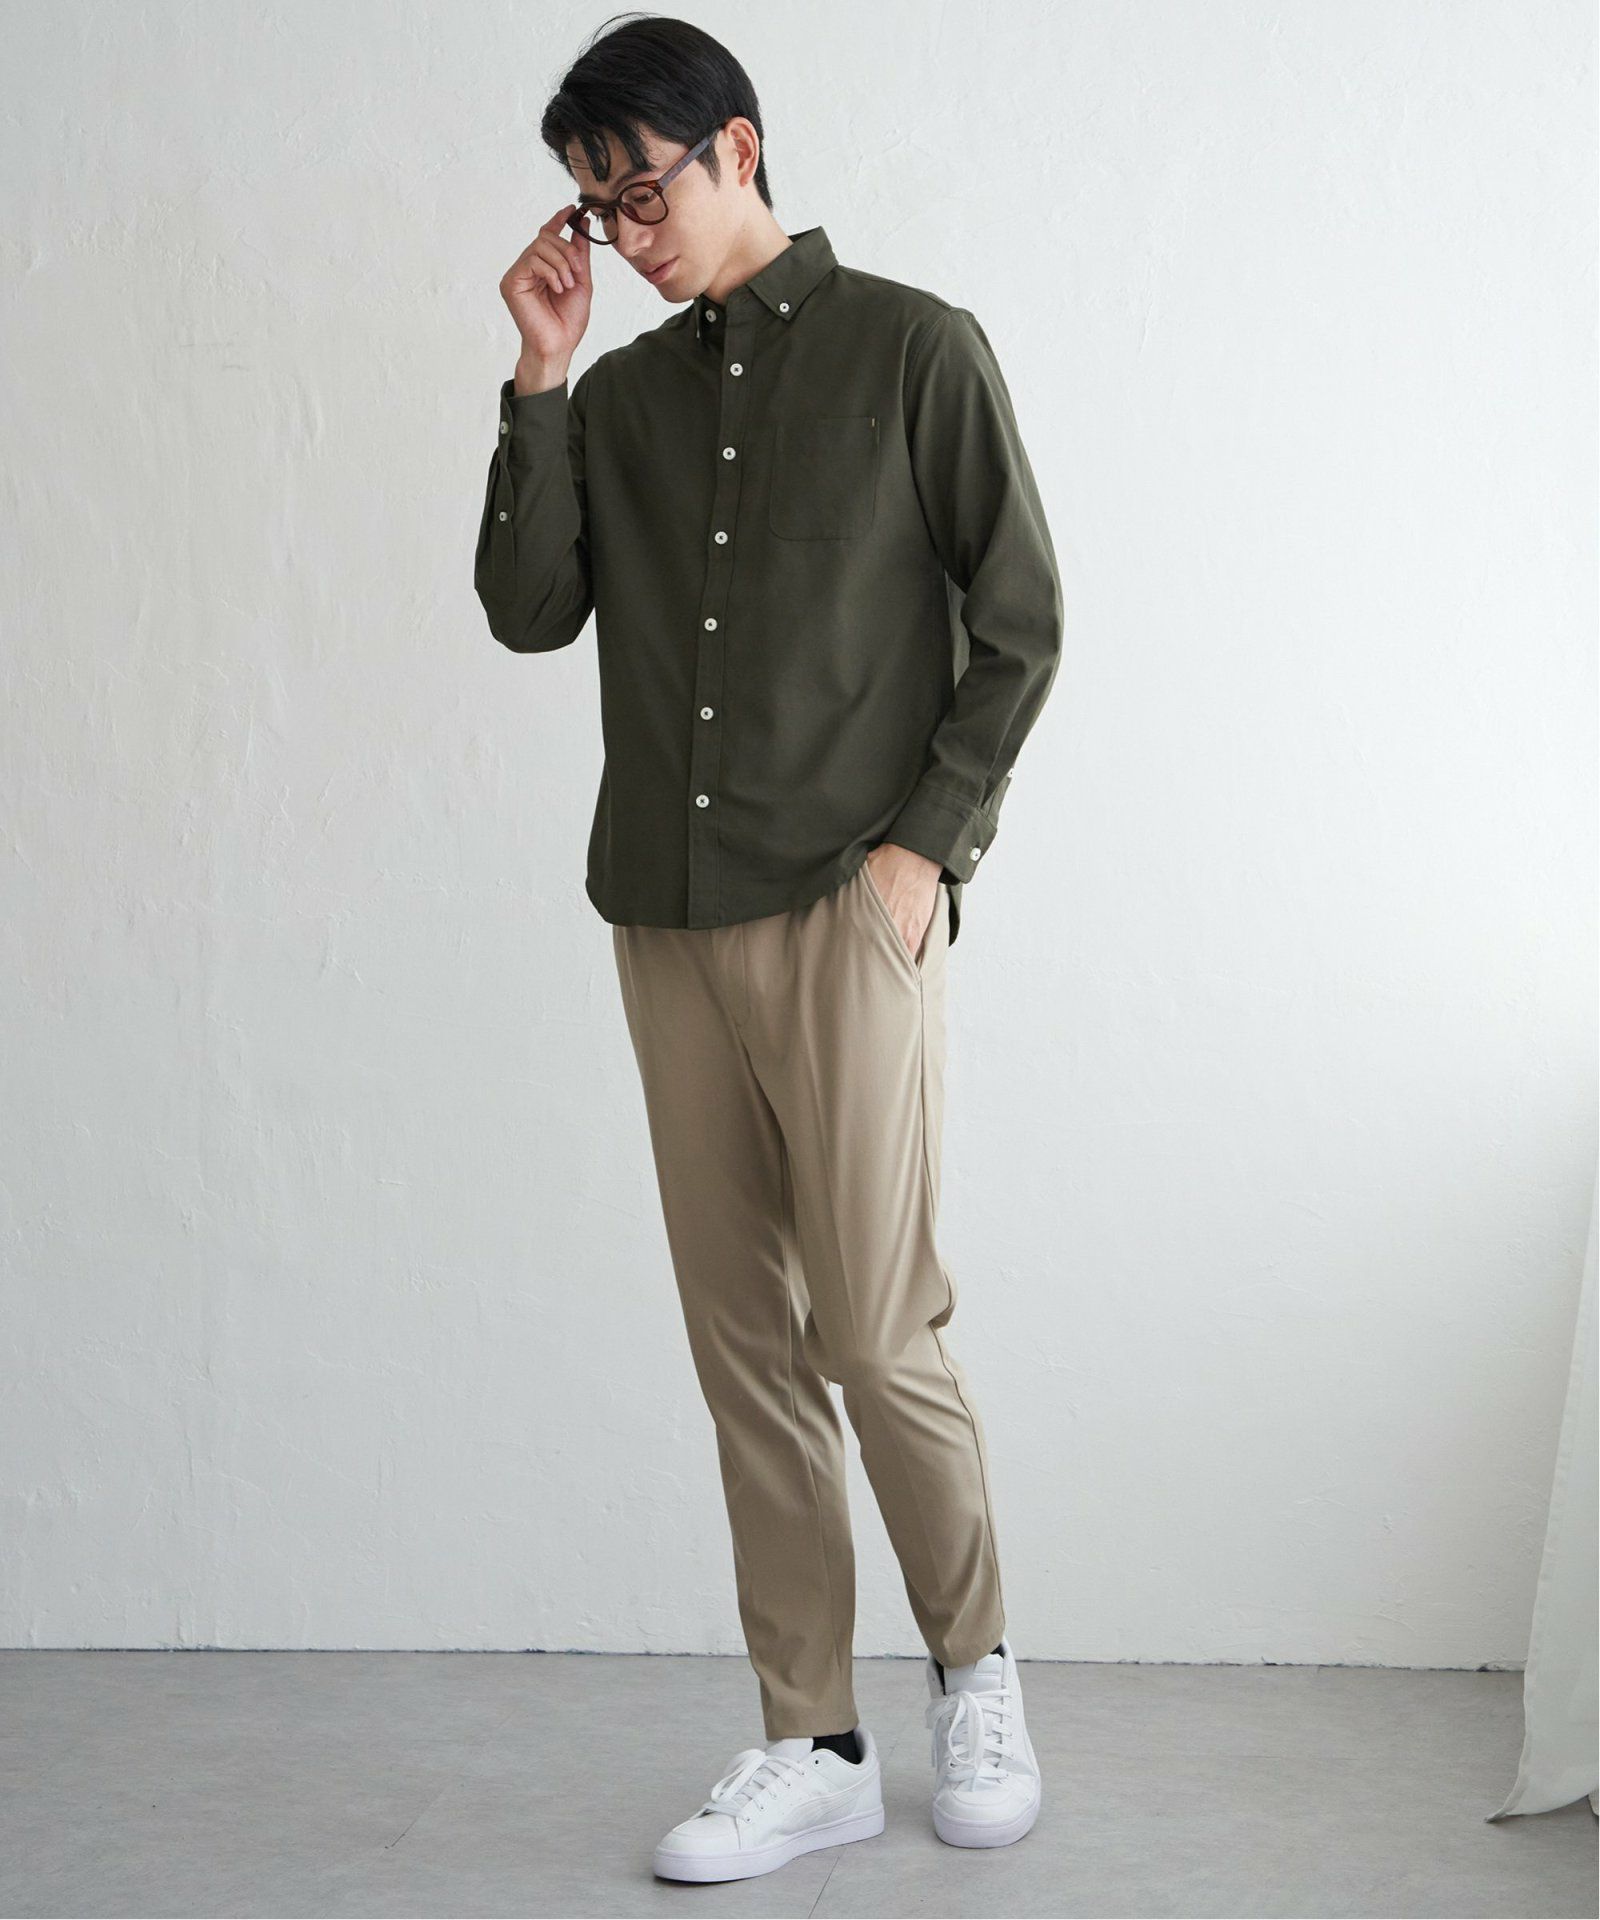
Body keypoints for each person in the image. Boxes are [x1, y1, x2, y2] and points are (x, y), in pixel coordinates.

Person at [474, 13, 1063, 1885]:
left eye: (640, 191)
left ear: (737, 145)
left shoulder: (914, 348)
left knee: (877, 1327)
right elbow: (527, 609)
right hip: (665, 917)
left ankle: (977, 1672)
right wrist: (542, 374)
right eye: (595, 206)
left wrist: (922, 847)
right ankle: (810, 1735)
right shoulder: (620, 403)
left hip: (845, 905)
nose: (623, 232)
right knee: (745, 1345)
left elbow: (1023, 622)